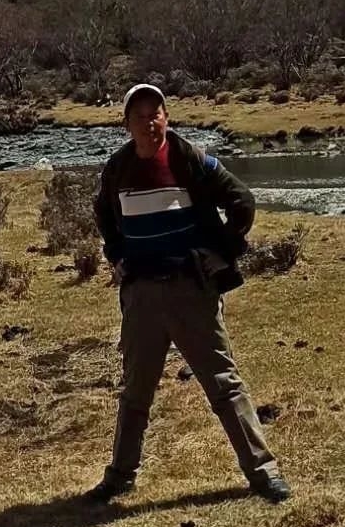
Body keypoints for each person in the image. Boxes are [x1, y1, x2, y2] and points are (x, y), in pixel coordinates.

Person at [83, 82, 290, 505]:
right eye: (140, 116)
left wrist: (223, 252)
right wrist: (116, 256)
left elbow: (242, 200)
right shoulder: (117, 168)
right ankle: (120, 476)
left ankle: (263, 472)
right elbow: (104, 213)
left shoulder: (188, 158)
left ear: (167, 117)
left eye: (156, 113)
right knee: (135, 390)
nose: (150, 122)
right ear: (126, 125)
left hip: (189, 289)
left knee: (223, 382)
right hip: (142, 294)